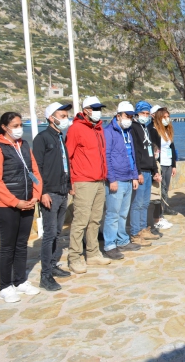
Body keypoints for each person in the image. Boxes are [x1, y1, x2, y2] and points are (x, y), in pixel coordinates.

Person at [0, 112, 43, 302]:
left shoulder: (24, 145)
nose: (20, 128)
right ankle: (5, 286)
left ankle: (20, 281)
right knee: (7, 246)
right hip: (5, 206)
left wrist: (36, 195)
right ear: (5, 127)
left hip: (27, 202)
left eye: (21, 125)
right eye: (16, 125)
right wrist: (14, 201)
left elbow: (34, 171)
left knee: (21, 244)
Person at [66, 96, 111, 274]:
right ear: (86, 110)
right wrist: (71, 182)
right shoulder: (76, 129)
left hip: (99, 180)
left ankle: (92, 253)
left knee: (95, 219)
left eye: (100, 107)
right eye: (95, 108)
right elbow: (67, 157)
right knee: (80, 221)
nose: (98, 110)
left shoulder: (98, 129)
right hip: (83, 181)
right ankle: (75, 257)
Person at [33, 102, 73, 292]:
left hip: (63, 191)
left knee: (57, 232)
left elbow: (64, 165)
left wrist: (69, 186)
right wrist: (42, 193)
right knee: (49, 234)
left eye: (66, 115)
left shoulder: (59, 137)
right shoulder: (42, 138)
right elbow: (36, 169)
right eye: (62, 115)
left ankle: (53, 265)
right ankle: (45, 275)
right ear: (51, 118)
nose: (66, 119)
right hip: (50, 193)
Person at [102, 102, 141, 260]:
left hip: (128, 177)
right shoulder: (109, 132)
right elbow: (107, 156)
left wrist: (134, 175)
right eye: (127, 116)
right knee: (113, 214)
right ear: (118, 116)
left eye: (131, 117)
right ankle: (110, 245)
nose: (129, 119)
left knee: (123, 213)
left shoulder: (128, 132)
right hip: (116, 179)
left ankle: (122, 240)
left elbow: (132, 155)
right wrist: (111, 179)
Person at [128, 101, 161, 246]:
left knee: (145, 203)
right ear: (136, 114)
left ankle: (143, 228)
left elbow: (150, 152)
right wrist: (138, 172)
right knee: (137, 203)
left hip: (149, 170)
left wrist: (155, 170)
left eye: (148, 114)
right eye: (143, 113)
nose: (145, 116)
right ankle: (136, 232)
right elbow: (135, 152)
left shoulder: (145, 128)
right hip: (141, 171)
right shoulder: (134, 128)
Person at [149, 107, 178, 229]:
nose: (166, 119)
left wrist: (174, 165)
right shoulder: (153, 130)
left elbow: (171, 147)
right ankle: (157, 218)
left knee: (165, 190)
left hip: (168, 164)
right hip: (159, 164)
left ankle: (162, 214)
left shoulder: (168, 130)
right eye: (164, 117)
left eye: (168, 117)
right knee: (160, 191)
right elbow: (154, 149)